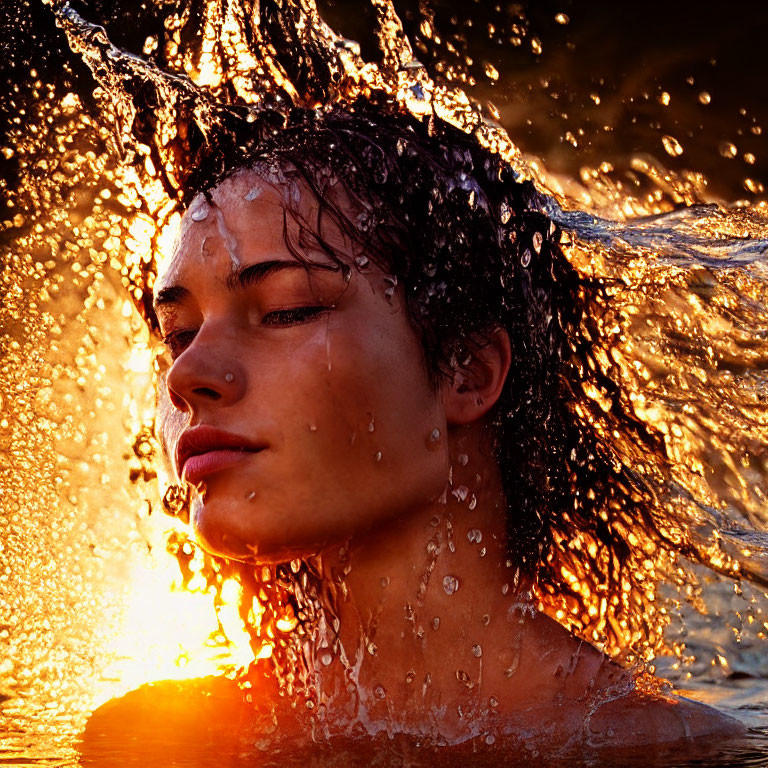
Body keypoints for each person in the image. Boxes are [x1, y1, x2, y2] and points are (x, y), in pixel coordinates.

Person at [151, 103, 744, 758]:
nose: (188, 373)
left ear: (467, 372)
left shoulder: (664, 753)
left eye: (287, 310)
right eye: (180, 334)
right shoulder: (157, 741)